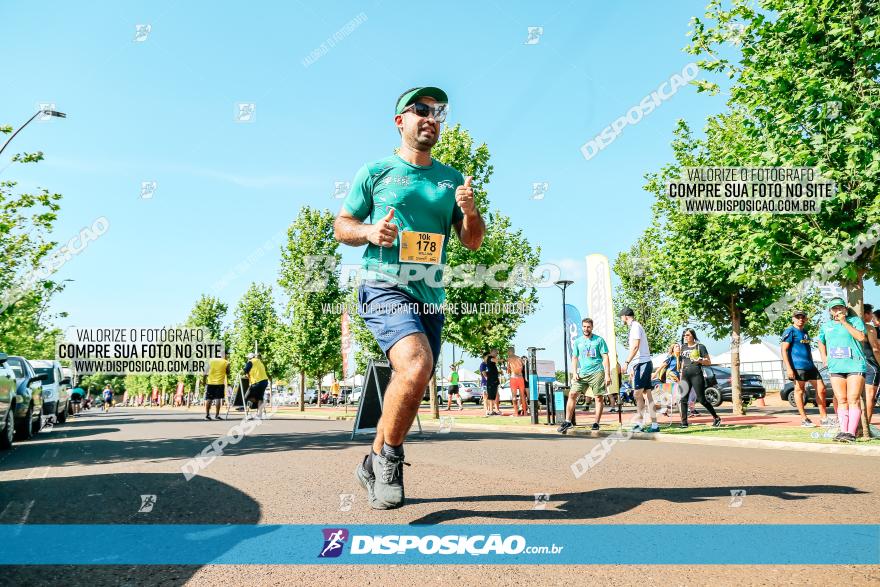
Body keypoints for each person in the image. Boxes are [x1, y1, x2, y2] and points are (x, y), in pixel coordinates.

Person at [334, 86, 485, 510]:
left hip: (429, 295)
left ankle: (370, 462)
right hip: (383, 284)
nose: (431, 117)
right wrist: (367, 232)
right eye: (421, 110)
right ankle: (391, 459)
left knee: (414, 379)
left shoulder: (452, 180)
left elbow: (471, 242)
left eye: (438, 111)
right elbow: (342, 224)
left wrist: (470, 211)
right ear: (400, 120)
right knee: (416, 363)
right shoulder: (376, 171)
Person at [818, 298, 867, 442]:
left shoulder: (855, 321)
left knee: (853, 399)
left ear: (845, 309)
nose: (838, 310)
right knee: (841, 399)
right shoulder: (826, 326)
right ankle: (843, 431)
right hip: (836, 366)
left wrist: (844, 322)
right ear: (830, 311)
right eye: (834, 308)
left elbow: (861, 337)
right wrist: (824, 357)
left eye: (840, 308)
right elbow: (821, 341)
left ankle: (851, 433)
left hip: (855, 365)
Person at [558, 318, 611, 433]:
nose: (586, 329)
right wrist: (575, 372)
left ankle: (596, 423)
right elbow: (575, 358)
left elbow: (606, 357)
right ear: (582, 327)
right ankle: (568, 421)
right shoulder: (578, 341)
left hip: (597, 372)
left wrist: (607, 374)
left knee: (598, 397)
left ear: (592, 327)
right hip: (582, 373)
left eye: (588, 327)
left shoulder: (599, 340)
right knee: (572, 394)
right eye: (584, 327)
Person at [781, 309, 830, 427]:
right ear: (793, 319)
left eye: (802, 317)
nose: (800, 319)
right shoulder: (790, 331)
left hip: (810, 366)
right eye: (797, 317)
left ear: (806, 319)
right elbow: (784, 350)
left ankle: (824, 418)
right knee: (799, 391)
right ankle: (804, 419)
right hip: (797, 367)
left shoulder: (805, 332)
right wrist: (789, 368)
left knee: (821, 389)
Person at [620, 308, 657, 432]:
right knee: (647, 394)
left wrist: (626, 363)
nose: (621, 319)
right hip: (641, 364)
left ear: (625, 316)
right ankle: (654, 425)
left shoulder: (635, 326)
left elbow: (635, 346)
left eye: (621, 317)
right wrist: (633, 366)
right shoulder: (635, 327)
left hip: (642, 363)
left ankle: (640, 424)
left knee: (637, 394)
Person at [678, 328, 721, 428]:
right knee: (683, 398)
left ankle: (716, 418)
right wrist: (681, 373)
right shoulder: (683, 347)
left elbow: (708, 362)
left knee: (701, 399)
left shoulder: (700, 347)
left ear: (693, 335)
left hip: (696, 374)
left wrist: (700, 360)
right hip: (685, 374)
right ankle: (684, 423)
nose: (685, 337)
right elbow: (683, 362)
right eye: (684, 335)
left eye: (688, 335)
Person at [861, 304, 880, 435]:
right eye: (871, 314)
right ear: (865, 314)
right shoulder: (869, 328)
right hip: (871, 364)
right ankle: (866, 425)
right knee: (870, 397)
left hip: (857, 364)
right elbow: (876, 349)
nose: (872, 317)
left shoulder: (849, 327)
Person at [655, 342, 683, 418]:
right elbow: (662, 366)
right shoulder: (670, 358)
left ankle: (682, 415)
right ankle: (665, 410)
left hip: (677, 379)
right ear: (673, 349)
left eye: (679, 346)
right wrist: (654, 374)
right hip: (670, 378)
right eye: (676, 347)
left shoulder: (681, 358)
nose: (678, 348)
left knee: (677, 396)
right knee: (671, 395)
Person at [204, 349, 230, 421]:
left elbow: (205, 372)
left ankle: (207, 415)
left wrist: (204, 381)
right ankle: (217, 415)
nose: (227, 356)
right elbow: (228, 372)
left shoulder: (210, 361)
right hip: (220, 383)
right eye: (226, 354)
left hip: (210, 383)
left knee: (209, 398)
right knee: (218, 399)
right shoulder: (226, 362)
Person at [243, 352, 269, 418]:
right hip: (265, 381)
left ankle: (247, 411)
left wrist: (247, 375)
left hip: (257, 382)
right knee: (260, 397)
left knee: (246, 397)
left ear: (249, 358)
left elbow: (245, 371)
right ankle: (259, 415)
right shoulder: (260, 362)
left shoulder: (250, 362)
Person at [507, 346, 527, 416]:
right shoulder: (519, 358)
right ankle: (525, 412)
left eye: (508, 351)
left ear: (510, 351)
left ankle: (516, 413)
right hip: (520, 378)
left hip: (513, 378)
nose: (507, 353)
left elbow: (508, 370)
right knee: (522, 396)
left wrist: (509, 370)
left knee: (514, 396)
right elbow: (523, 367)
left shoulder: (509, 359)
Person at [484, 350, 502, 416]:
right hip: (491, 380)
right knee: (491, 396)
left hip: (494, 380)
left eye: (497, 353)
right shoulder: (490, 358)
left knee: (493, 396)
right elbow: (496, 360)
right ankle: (490, 411)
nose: (497, 354)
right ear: (492, 352)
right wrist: (502, 360)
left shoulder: (491, 359)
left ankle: (491, 410)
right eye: (496, 353)